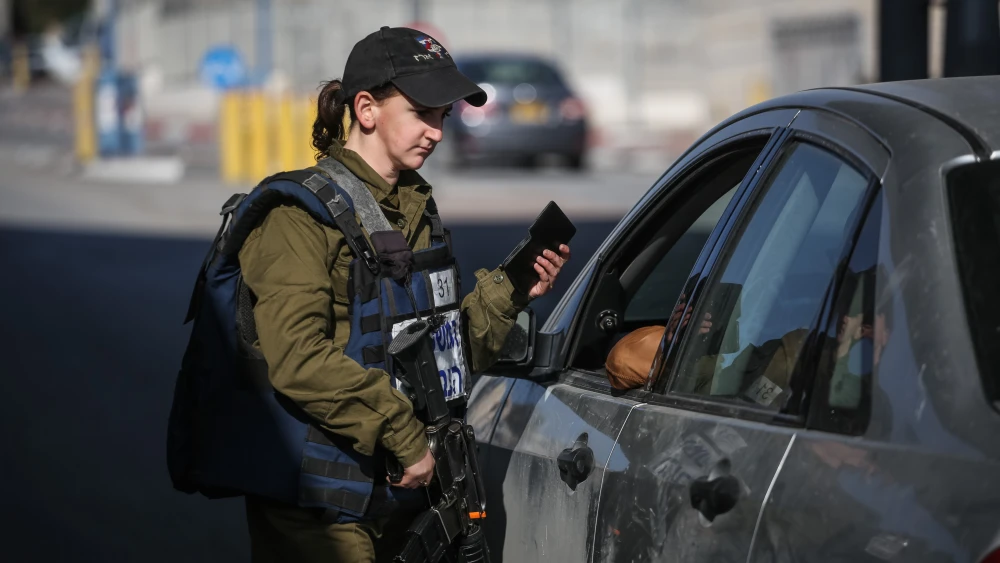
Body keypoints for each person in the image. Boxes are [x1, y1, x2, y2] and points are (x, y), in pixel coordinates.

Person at [172, 27, 571, 563]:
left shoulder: (414, 211)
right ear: (366, 108)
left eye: (444, 116)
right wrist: (403, 433)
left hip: (403, 495)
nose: (435, 131)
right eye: (423, 112)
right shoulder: (297, 218)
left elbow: (443, 357)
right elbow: (298, 358)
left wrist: (511, 290)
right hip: (322, 508)